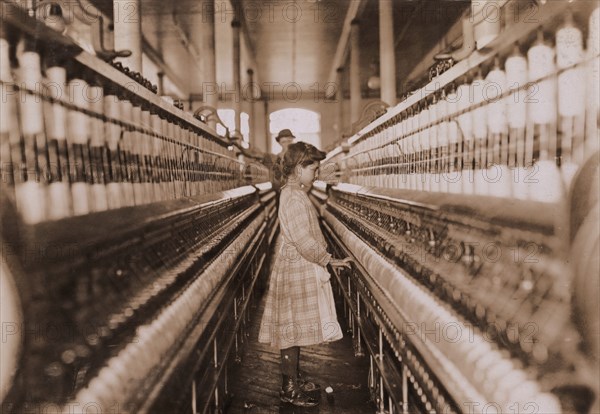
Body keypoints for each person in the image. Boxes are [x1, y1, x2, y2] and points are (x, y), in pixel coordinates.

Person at [258, 141, 353, 407]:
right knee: (291, 331)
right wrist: (329, 260)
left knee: (294, 329)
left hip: (296, 265)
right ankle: (288, 388)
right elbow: (302, 239)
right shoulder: (293, 197)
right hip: (296, 267)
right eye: (314, 168)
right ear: (299, 169)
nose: (317, 173)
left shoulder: (294, 193)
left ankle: (294, 380)